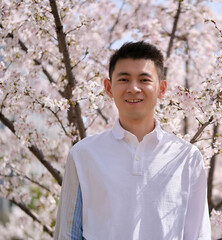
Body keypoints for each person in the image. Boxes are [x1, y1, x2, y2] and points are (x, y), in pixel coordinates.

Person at [54, 41, 211, 240]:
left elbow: (198, 235)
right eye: (124, 79)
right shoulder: (83, 154)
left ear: (161, 89)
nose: (134, 88)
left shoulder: (187, 158)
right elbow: (68, 233)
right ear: (109, 88)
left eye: (144, 79)